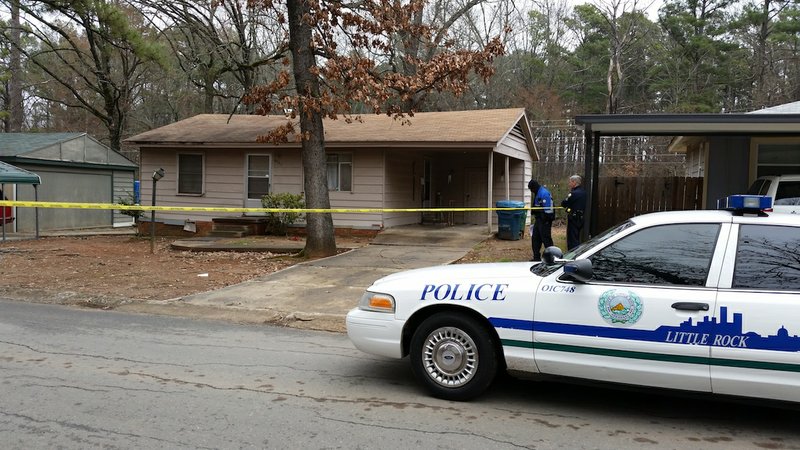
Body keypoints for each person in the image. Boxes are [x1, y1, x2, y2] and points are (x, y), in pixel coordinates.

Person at [528, 179, 554, 261]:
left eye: (531, 189)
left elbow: (548, 210)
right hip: (539, 219)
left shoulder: (544, 193)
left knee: (546, 240)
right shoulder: (537, 192)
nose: (531, 191)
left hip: (545, 220)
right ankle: (536, 257)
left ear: (534, 187)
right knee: (535, 239)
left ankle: (551, 257)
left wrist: (544, 219)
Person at [561, 174, 587, 250]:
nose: (569, 184)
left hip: (573, 218)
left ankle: (573, 255)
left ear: (574, 182)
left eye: (570, 182)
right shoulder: (584, 192)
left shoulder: (573, 193)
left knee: (572, 239)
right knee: (577, 236)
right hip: (581, 218)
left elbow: (564, 203)